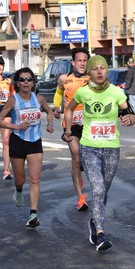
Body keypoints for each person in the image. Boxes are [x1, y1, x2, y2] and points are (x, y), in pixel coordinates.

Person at [64, 55, 135, 251]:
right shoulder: (82, 92)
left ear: (106, 71)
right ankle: (99, 232)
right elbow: (69, 109)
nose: (99, 71)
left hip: (112, 148)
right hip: (89, 147)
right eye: (94, 68)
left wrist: (130, 119)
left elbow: (131, 113)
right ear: (89, 72)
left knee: (103, 190)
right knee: (97, 189)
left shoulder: (116, 92)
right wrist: (68, 130)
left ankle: (94, 222)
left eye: (102, 68)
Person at [0, 67, 54, 228]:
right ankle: (19, 190)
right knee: (20, 179)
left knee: (35, 179)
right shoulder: (13, 100)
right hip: (18, 141)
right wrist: (16, 126)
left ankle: (33, 213)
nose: (26, 82)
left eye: (29, 79)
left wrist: (49, 123)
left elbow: (49, 111)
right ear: (17, 83)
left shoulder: (39, 99)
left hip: (35, 141)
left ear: (33, 83)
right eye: (22, 79)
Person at [53, 47, 90, 211]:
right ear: (73, 62)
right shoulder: (63, 79)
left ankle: (79, 170)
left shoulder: (92, 78)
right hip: (71, 124)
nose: (82, 63)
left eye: (85, 60)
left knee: (83, 159)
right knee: (76, 157)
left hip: (89, 124)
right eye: (79, 60)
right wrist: (56, 108)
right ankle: (80, 198)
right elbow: (59, 94)